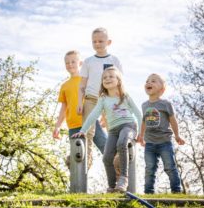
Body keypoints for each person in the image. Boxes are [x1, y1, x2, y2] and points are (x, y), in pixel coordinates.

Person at [73, 66, 142, 193]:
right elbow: (93, 115)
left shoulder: (125, 96)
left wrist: (141, 133)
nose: (107, 79)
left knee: (122, 143)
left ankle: (123, 178)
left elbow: (139, 114)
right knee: (106, 157)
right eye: (104, 77)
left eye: (111, 76)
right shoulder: (103, 99)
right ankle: (112, 186)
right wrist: (83, 130)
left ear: (118, 81)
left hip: (128, 126)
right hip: (113, 130)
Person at [77, 27, 123, 169]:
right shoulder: (88, 61)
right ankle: (85, 167)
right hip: (90, 99)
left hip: (109, 100)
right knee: (88, 133)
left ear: (108, 42)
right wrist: (80, 102)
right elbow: (82, 84)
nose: (97, 44)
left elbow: (120, 83)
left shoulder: (114, 60)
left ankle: (118, 166)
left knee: (113, 131)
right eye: (94, 41)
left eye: (101, 41)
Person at [53, 50, 107, 169]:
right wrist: (57, 126)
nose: (70, 64)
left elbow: (98, 98)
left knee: (106, 148)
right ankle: (79, 186)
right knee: (79, 158)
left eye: (73, 61)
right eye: (67, 62)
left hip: (90, 121)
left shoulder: (86, 81)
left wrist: (104, 115)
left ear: (80, 63)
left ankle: (120, 178)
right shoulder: (64, 86)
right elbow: (63, 108)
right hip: (73, 126)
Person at [138, 73, 185, 194]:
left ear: (162, 89)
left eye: (153, 81)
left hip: (165, 142)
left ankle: (176, 191)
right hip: (149, 144)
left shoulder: (165, 104)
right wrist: (141, 136)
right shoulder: (144, 105)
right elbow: (143, 121)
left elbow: (173, 120)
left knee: (170, 167)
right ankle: (148, 192)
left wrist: (177, 135)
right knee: (149, 169)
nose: (149, 83)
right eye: (147, 81)